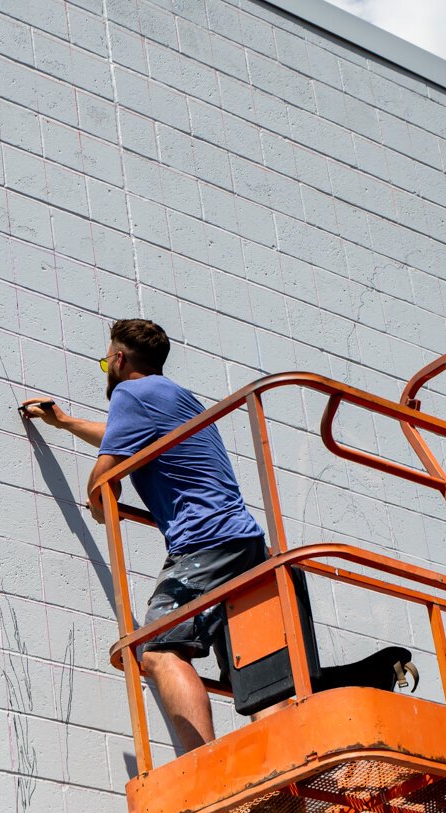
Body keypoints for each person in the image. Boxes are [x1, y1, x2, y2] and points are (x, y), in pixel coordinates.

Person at [21, 319, 267, 753]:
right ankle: (287, 766)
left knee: (156, 648)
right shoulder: (174, 396)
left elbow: (105, 474)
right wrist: (64, 423)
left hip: (205, 543)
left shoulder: (130, 395)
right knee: (260, 668)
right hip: (247, 544)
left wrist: (100, 503)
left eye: (105, 361)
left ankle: (204, 767)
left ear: (117, 359)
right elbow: (125, 435)